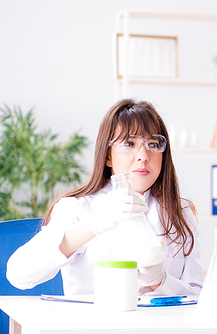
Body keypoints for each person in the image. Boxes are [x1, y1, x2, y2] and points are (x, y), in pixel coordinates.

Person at [7, 99, 203, 296]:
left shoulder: (181, 213)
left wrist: (160, 282)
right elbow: (19, 274)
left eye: (153, 143)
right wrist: (95, 223)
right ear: (108, 156)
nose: (143, 155)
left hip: (162, 327)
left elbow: (197, 296)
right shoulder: (77, 208)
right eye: (129, 143)